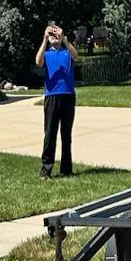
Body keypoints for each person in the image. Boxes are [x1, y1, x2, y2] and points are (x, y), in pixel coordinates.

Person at [35, 21, 77, 178]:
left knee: (66, 134)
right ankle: (46, 170)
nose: (54, 37)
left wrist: (64, 38)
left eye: (56, 35)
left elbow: (76, 56)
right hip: (52, 97)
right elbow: (38, 62)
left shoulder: (67, 52)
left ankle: (66, 170)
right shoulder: (47, 54)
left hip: (68, 95)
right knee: (50, 133)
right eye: (52, 35)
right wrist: (45, 39)